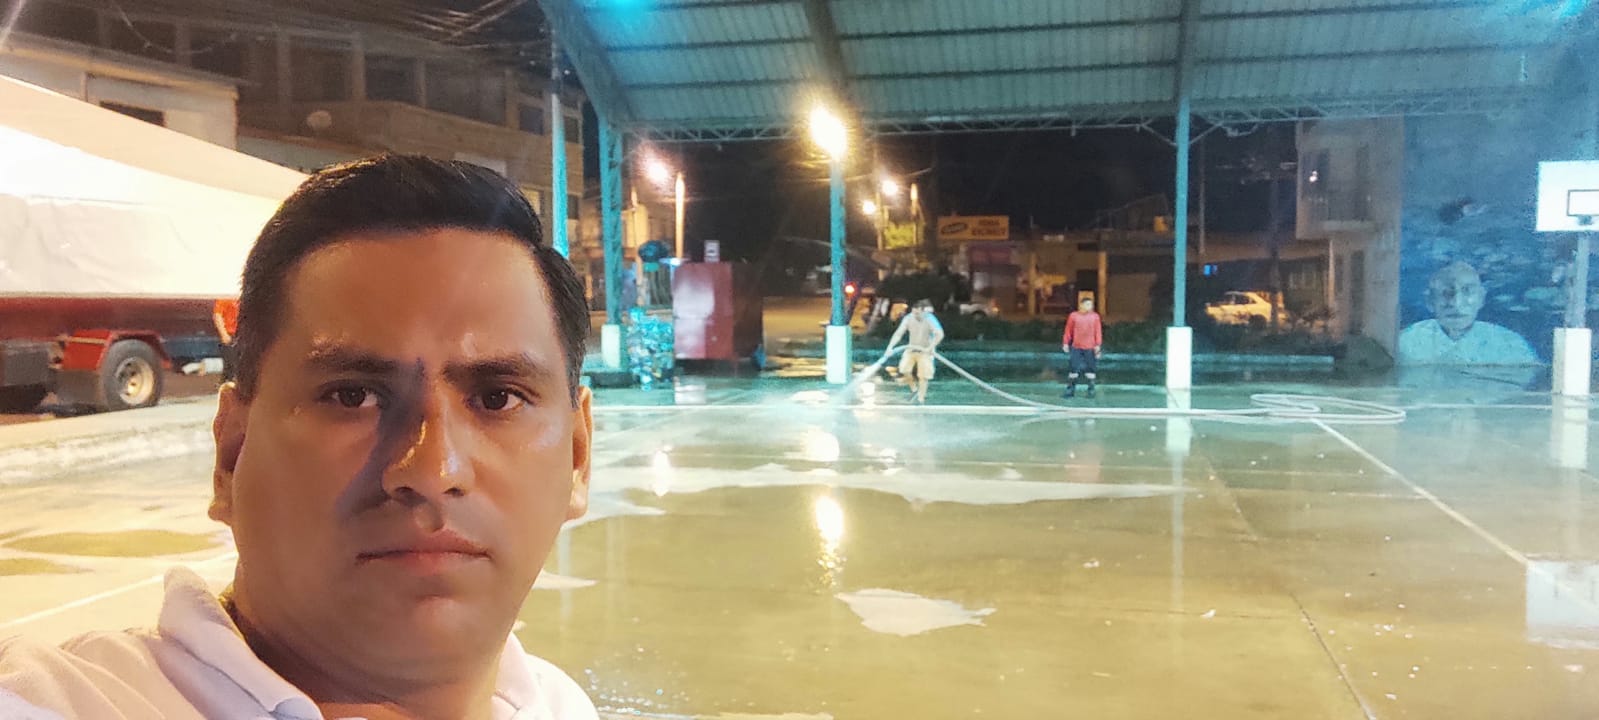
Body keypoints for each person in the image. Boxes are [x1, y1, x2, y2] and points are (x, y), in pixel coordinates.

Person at [0, 156, 599, 719]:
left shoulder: (559, 703)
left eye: (498, 399)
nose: (433, 469)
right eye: (353, 396)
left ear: (577, 456)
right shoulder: (59, 702)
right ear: (231, 453)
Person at [1397, 260, 1538, 365]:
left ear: (1481, 299)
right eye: (1446, 292)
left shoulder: (1511, 345)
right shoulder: (1405, 342)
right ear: (1430, 301)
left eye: (1467, 291)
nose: (1456, 303)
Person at [886, 299, 945, 404]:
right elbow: (898, 333)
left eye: (918, 313)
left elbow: (939, 334)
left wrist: (930, 347)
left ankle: (921, 399)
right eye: (914, 313)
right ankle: (914, 390)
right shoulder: (908, 318)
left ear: (923, 311)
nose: (916, 316)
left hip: (926, 351)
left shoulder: (930, 319)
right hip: (911, 349)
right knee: (904, 370)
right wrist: (890, 347)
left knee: (924, 376)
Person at [1062, 297, 1103, 399]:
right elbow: (1068, 330)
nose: (1090, 307)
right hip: (1076, 347)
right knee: (1073, 368)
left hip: (1090, 347)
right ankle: (1070, 390)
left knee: (1091, 369)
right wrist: (1066, 343)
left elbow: (1097, 331)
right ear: (1082, 305)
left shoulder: (1095, 317)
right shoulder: (1074, 316)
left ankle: (1091, 390)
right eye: (1088, 304)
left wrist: (1098, 345)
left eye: (1091, 305)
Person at [211, 296, 239, 382]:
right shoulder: (225, 297)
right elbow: (217, 315)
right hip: (230, 334)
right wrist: (224, 334)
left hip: (243, 333)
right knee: (231, 365)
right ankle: (228, 383)